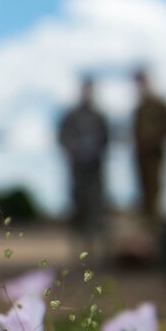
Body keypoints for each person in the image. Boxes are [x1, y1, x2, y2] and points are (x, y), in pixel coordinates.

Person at [59, 78, 110, 257]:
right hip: (77, 170)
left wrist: (94, 151)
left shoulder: (99, 117)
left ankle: (96, 250)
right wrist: (76, 150)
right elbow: (63, 138)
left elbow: (106, 140)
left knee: (96, 207)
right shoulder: (71, 117)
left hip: (95, 171)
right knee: (78, 207)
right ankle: (78, 250)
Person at [132, 69, 166, 224]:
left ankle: (157, 232)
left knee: (155, 195)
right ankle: (147, 229)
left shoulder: (160, 105)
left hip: (155, 157)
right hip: (141, 158)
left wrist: (156, 139)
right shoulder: (139, 109)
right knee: (143, 195)